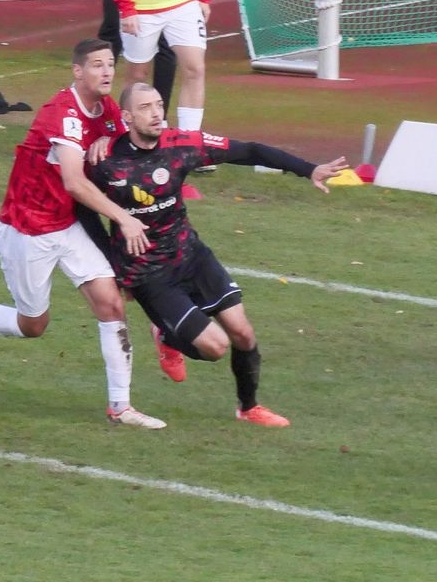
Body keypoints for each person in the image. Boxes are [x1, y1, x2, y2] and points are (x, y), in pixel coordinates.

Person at [82, 83, 347, 427]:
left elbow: (249, 150)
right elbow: (83, 207)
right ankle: (166, 334)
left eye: (159, 105)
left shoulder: (181, 144)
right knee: (215, 347)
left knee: (243, 333)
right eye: (146, 108)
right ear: (128, 117)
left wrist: (308, 169)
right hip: (149, 273)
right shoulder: (105, 162)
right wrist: (113, 261)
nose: (157, 113)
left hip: (191, 255)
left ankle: (248, 408)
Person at [0, 39, 166, 429]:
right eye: (97, 65)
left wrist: (108, 140)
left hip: (69, 225)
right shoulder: (62, 113)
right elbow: (74, 182)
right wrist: (123, 219)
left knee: (111, 305)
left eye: (110, 64)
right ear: (77, 71)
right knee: (33, 325)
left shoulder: (108, 110)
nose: (107, 72)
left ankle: (120, 407)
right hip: (28, 228)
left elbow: (126, 143)